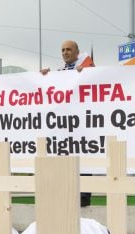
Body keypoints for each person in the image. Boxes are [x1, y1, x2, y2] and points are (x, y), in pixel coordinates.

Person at [40, 41, 95, 207]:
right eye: (62, 50)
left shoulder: (87, 68)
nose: (65, 52)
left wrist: (86, 74)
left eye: (69, 49)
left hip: (83, 124)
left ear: (77, 52)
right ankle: (65, 192)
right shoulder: (61, 72)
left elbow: (97, 80)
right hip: (64, 125)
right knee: (64, 158)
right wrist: (45, 77)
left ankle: (84, 195)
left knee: (84, 157)